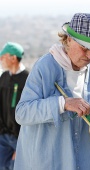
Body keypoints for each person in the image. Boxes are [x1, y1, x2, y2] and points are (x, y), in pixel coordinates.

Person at [14, 13, 90, 170]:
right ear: (69, 39)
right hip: (46, 164)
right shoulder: (44, 67)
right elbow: (22, 113)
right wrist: (62, 103)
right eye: (84, 48)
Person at [0, 42, 29, 170]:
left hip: (19, 139)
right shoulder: (4, 77)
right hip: (2, 137)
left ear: (13, 58)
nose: (0, 59)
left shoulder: (28, 79)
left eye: (3, 56)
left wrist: (22, 145)